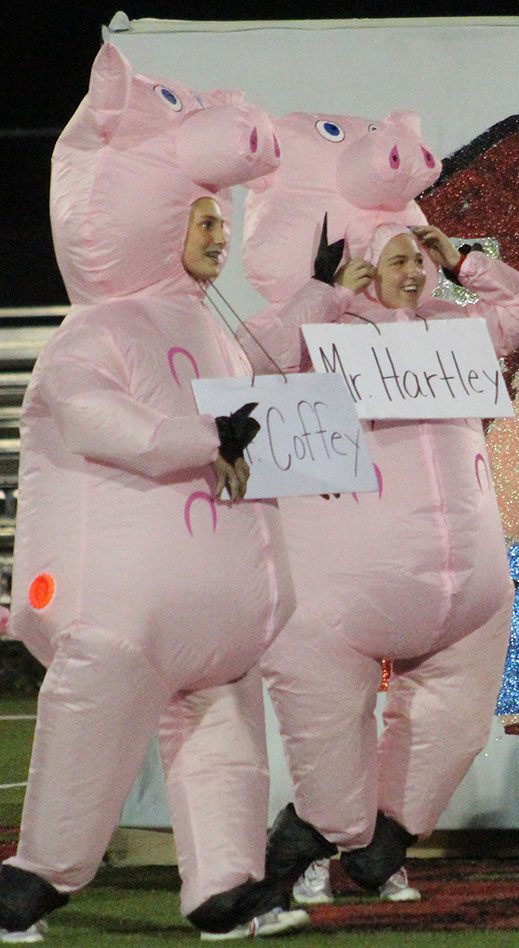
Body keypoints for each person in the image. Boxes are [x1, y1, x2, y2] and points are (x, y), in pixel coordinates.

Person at [0, 45, 308, 941]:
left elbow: (254, 408)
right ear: (150, 220)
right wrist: (201, 438)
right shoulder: (97, 330)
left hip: (219, 604)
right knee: (90, 739)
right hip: (123, 608)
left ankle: (226, 889)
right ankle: (34, 881)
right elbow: (94, 416)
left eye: (220, 220)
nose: (219, 236)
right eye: (201, 220)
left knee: (224, 744)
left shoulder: (211, 327)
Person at [238, 221, 519, 896]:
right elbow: (250, 356)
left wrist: (466, 262)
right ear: (365, 266)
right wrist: (321, 294)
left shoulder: (452, 326)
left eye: (418, 260)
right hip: (344, 585)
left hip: (469, 581)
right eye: (397, 259)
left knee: (454, 727)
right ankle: (314, 840)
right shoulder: (327, 329)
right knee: (330, 728)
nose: (412, 272)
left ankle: (384, 838)